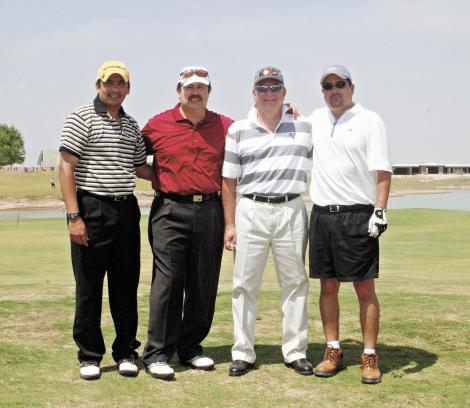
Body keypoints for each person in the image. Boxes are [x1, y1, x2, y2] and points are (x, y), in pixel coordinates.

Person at [59, 60, 152, 380]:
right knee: (89, 286)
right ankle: (89, 355)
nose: (114, 89)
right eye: (108, 83)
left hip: (126, 210)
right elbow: (66, 167)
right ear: (98, 85)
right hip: (91, 207)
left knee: (125, 286)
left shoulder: (131, 125)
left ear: (128, 88)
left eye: (120, 84)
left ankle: (126, 351)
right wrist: (74, 216)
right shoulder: (81, 117)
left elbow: (141, 168)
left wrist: (182, 177)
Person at [141, 66, 233, 380]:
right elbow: (136, 158)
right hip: (169, 209)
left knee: (203, 281)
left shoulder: (225, 125)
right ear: (178, 91)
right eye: (189, 87)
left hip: (210, 209)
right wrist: (160, 175)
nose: (195, 92)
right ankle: (156, 352)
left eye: (201, 88)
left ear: (209, 91)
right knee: (168, 281)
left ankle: (190, 347)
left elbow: (259, 132)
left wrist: (289, 115)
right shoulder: (157, 125)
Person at [222, 66, 313, 377]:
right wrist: (230, 224)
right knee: (245, 285)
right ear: (254, 93)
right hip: (251, 209)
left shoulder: (304, 127)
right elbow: (229, 182)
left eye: (275, 88)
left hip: (291, 207)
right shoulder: (237, 130)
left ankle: (295, 351)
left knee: (295, 282)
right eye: (263, 88)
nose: (269, 93)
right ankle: (243, 352)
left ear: (285, 93)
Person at [308, 65, 392, 384]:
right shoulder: (315, 119)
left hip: (358, 214)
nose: (334, 90)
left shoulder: (370, 120)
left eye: (339, 84)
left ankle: (369, 355)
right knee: (327, 286)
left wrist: (379, 210)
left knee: (364, 287)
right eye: (327, 85)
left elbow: (382, 171)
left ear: (351, 87)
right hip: (322, 214)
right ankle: (333, 351)